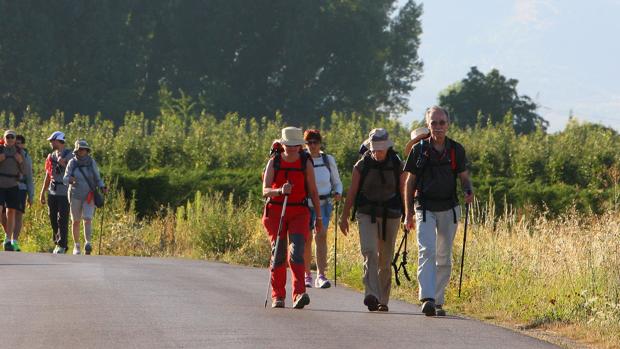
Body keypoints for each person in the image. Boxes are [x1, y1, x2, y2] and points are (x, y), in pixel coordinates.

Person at [403, 106, 474, 316]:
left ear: (448, 124)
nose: (438, 127)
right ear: (428, 125)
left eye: (442, 122)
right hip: (424, 207)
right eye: (434, 123)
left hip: (449, 207)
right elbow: (409, 182)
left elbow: (463, 176)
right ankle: (427, 298)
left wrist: (468, 190)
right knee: (427, 250)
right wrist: (408, 212)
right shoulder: (419, 149)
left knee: (444, 256)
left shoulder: (456, 149)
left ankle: (438, 299)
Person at [339, 128, 405, 312]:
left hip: (390, 214)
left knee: (385, 258)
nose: (377, 152)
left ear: (387, 147)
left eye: (381, 149)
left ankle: (383, 299)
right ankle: (371, 294)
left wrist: (410, 215)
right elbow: (352, 192)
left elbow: (403, 190)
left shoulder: (397, 164)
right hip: (366, 212)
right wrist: (344, 216)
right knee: (369, 251)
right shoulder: (361, 165)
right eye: (374, 149)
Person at [262, 127, 322, 309]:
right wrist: (279, 191)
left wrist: (319, 217)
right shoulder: (274, 162)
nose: (292, 148)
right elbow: (264, 191)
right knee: (279, 254)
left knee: (296, 253)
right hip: (275, 212)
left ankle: (299, 293)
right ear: (283, 145)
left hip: (299, 212)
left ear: (300, 146)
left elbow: (313, 191)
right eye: (289, 145)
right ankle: (278, 296)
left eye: (296, 145)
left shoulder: (306, 162)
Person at [303, 129, 343, 289]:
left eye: (315, 142)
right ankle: (307, 275)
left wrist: (338, 192)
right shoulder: (302, 160)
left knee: (321, 237)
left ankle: (321, 275)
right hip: (306, 204)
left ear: (320, 143)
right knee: (306, 239)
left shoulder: (328, 159)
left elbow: (337, 181)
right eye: (309, 142)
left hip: (324, 204)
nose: (312, 146)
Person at [63, 140, 107, 255]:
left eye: (85, 149)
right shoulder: (72, 162)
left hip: (89, 195)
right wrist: (70, 179)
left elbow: (98, 178)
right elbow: (65, 179)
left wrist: (102, 187)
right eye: (81, 149)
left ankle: (88, 243)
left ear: (87, 151)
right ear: (77, 150)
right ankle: (76, 246)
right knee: (75, 221)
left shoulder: (91, 162)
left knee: (87, 219)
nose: (83, 151)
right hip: (75, 195)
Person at [40, 131, 73, 254]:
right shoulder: (51, 156)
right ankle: (57, 241)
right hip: (52, 191)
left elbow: (71, 171)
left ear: (58, 141)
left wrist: (62, 162)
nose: (50, 143)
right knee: (52, 217)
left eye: (52, 141)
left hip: (65, 192)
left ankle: (62, 244)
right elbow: (48, 175)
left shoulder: (70, 155)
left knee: (62, 219)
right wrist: (43, 192)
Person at [1, 130, 27, 251]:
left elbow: (25, 171)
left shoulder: (19, 152)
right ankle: (7, 237)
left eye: (12, 137)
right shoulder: (0, 150)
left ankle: (8, 239)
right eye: (8, 137)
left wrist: (20, 161)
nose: (10, 139)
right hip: (0, 184)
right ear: (4, 138)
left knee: (11, 211)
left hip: (13, 184)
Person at [7, 135, 35, 252]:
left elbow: (29, 176)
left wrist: (31, 195)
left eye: (19, 143)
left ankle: (15, 240)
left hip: (21, 187)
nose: (16, 145)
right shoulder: (7, 153)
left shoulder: (25, 156)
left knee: (18, 213)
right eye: (15, 142)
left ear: (23, 145)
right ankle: (7, 237)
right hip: (7, 186)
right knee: (6, 213)